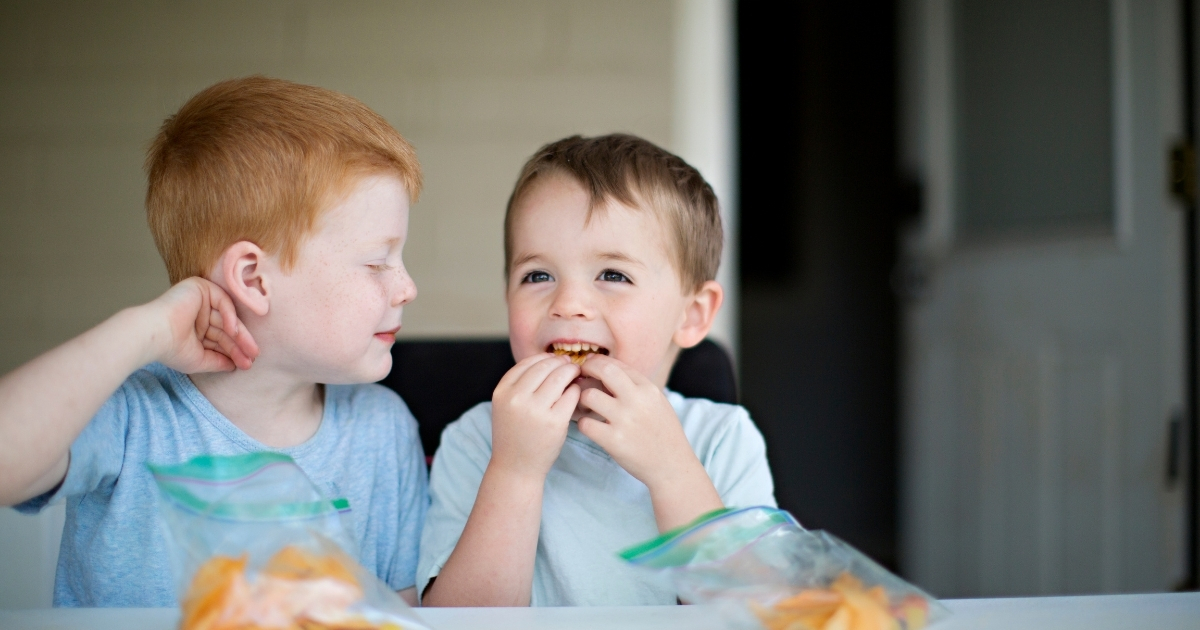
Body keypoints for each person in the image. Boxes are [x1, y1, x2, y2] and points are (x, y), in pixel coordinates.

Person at [0, 76, 428, 607]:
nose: (407, 287)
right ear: (252, 280)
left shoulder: (381, 430)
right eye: (376, 262)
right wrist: (147, 329)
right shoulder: (134, 418)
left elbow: (401, 613)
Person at [418, 134, 777, 606]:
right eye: (537, 275)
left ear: (692, 315)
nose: (567, 304)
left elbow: (755, 615)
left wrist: (672, 472)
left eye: (613, 275)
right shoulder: (478, 440)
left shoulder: (722, 438)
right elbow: (458, 621)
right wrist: (516, 471)